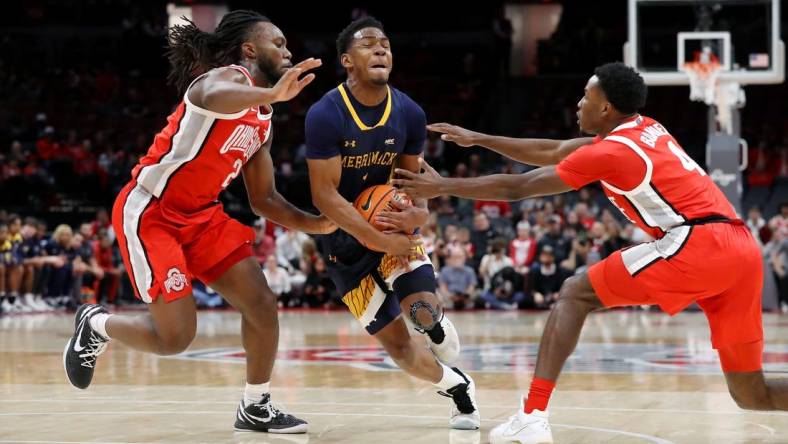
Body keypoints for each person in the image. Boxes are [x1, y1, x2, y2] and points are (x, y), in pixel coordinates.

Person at [394, 62, 785, 443]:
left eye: (586, 96)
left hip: (699, 243)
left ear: (606, 108)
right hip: (741, 249)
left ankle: (532, 416)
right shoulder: (645, 128)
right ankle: (531, 417)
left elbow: (519, 188)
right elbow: (556, 149)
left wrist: (442, 186)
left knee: (575, 292)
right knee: (751, 394)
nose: (579, 103)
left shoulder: (613, 153)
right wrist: (480, 138)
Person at [62, 10, 336, 435]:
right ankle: (95, 324)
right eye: (277, 43)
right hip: (152, 211)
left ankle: (255, 406)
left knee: (261, 302)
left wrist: (316, 225)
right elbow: (213, 97)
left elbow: (263, 199)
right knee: (175, 338)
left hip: (202, 216)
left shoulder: (263, 119)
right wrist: (274, 95)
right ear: (249, 50)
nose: (288, 51)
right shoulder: (221, 82)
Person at [304, 17, 479, 429]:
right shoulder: (325, 114)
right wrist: (374, 241)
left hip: (394, 225)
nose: (381, 49)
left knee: (419, 312)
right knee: (399, 349)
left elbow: (414, 183)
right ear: (347, 60)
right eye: (369, 45)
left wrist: (421, 215)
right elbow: (323, 196)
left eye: (385, 44)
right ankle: (457, 385)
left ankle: (434, 323)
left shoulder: (409, 112)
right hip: (343, 243)